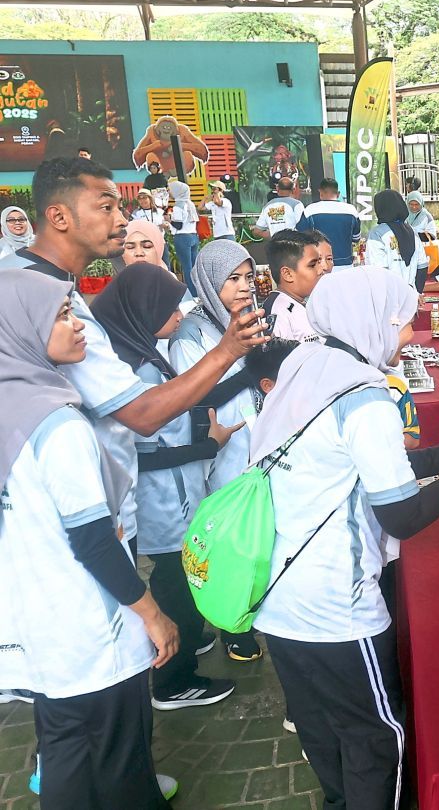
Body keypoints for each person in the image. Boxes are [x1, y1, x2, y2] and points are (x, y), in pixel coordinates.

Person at [248, 267, 439, 809]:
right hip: (339, 608)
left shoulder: (305, 367)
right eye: (401, 324)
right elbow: (402, 516)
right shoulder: (365, 395)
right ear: (369, 321)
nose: (407, 337)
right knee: (376, 740)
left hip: (278, 595)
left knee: (323, 733)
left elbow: (355, 466)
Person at [0, 156, 264, 566]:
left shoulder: (25, 280)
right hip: (64, 524)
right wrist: (228, 350)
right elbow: (142, 413)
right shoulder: (41, 296)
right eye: (106, 207)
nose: (121, 220)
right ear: (59, 216)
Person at [0, 269, 181, 809]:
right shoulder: (59, 427)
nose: (79, 325)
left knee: (65, 756)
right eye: (60, 315)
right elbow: (95, 542)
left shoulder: (10, 409)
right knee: (121, 763)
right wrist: (153, 615)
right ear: (23, 327)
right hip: (90, 627)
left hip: (39, 626)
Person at [91, 264, 241, 710]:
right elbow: (143, 449)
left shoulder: (143, 350)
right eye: (169, 307)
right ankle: (174, 682)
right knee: (176, 579)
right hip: (159, 499)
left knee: (179, 575)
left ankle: (187, 639)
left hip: (174, 491)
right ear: (143, 310)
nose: (180, 315)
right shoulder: (126, 370)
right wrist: (206, 449)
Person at [170, 239, 268, 663]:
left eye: (248, 277)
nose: (245, 287)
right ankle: (233, 626)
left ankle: (251, 607)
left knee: (256, 530)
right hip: (219, 448)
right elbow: (191, 395)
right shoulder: (190, 333)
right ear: (210, 282)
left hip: (254, 438)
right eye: (233, 279)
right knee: (229, 537)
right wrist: (248, 365)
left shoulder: (245, 317)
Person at [262, 230, 328, 342]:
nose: (322, 269)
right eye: (312, 265)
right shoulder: (277, 314)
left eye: (319, 262)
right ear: (287, 274)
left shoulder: (305, 302)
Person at [367, 188, 425, 291]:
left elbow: (378, 271)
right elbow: (422, 266)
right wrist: (417, 293)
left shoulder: (377, 233)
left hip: (389, 297)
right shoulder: (412, 232)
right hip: (410, 296)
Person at [296, 178, 361, 267]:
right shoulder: (351, 210)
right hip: (345, 264)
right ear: (338, 194)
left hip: (320, 265)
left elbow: (300, 238)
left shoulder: (310, 210)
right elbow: (356, 238)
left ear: (320, 192)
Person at [168, 180, 200, 294]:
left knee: (186, 268)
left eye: (170, 190)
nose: (169, 192)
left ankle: (192, 293)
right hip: (193, 236)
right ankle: (199, 291)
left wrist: (168, 219)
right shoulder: (190, 203)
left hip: (182, 237)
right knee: (193, 267)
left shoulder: (178, 205)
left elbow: (178, 224)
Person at [129, 189, 172, 267]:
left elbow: (168, 226)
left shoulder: (160, 212)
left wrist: (166, 225)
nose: (142, 200)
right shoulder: (136, 214)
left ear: (150, 198)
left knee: (165, 266)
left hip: (160, 242)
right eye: (140, 198)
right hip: (145, 245)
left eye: (144, 198)